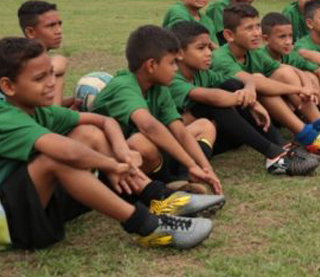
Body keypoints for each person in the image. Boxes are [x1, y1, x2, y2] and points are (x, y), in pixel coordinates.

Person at [0, 37, 213, 252]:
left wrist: (121, 152)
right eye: (39, 78)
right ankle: (147, 226)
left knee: (89, 132)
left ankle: (154, 197)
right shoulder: (3, 119)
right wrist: (112, 164)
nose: (50, 84)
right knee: (56, 159)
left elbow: (104, 121)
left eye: (51, 74)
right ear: (8, 86)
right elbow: (67, 151)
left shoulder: (36, 110)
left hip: (26, 207)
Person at [168, 21, 319, 176]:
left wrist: (250, 93)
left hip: (207, 137)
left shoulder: (201, 72)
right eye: (201, 48)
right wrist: (249, 100)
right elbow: (213, 98)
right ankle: (274, 153)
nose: (209, 53)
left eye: (208, 47)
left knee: (232, 84)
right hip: (176, 143)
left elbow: (245, 81)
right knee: (212, 105)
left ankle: (281, 146)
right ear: (179, 53)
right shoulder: (171, 78)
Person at [91, 25, 225, 196]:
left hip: (149, 160)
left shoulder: (159, 87)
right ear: (151, 65)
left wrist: (205, 168)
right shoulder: (124, 85)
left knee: (204, 126)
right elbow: (149, 126)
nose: (176, 69)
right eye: (172, 63)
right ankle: (165, 186)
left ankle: (185, 180)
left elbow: (180, 131)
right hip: (114, 165)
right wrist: (191, 164)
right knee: (141, 142)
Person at [211, 2, 320, 158]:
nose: (256, 33)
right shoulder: (221, 58)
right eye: (249, 28)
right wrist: (299, 89)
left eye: (257, 26)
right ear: (229, 35)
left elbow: (290, 69)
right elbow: (255, 82)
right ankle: (309, 137)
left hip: (260, 114)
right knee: (260, 79)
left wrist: (307, 86)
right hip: (228, 122)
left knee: (284, 71)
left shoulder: (253, 52)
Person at [17, 0, 69, 105]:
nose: (58, 31)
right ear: (30, 32)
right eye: (51, 26)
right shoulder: (22, 61)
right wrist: (54, 71)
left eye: (59, 24)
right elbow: (50, 115)